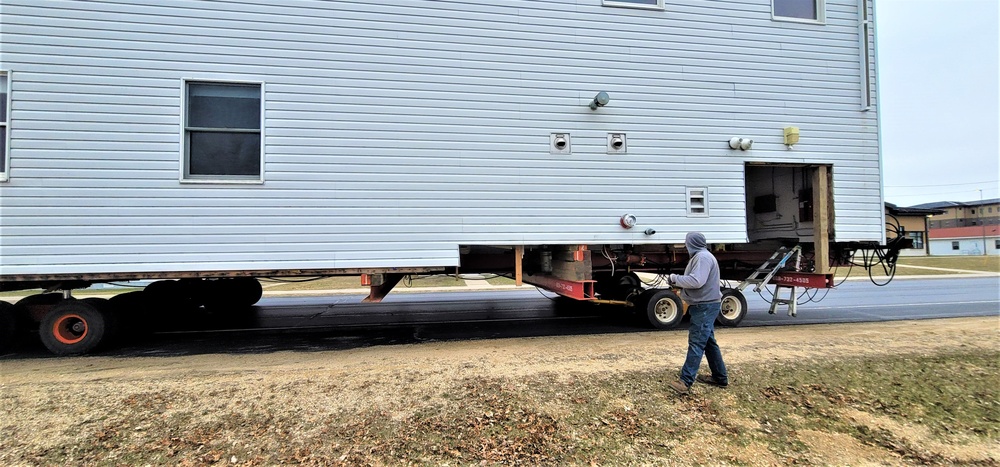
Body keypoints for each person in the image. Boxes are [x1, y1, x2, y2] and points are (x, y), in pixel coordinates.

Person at [666, 232, 729, 394]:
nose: (686, 245)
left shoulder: (702, 258)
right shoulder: (702, 256)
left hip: (705, 306)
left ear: (691, 243)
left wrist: (675, 278)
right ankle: (720, 377)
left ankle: (685, 381)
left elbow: (696, 281)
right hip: (705, 305)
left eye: (687, 242)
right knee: (708, 343)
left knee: (696, 343)